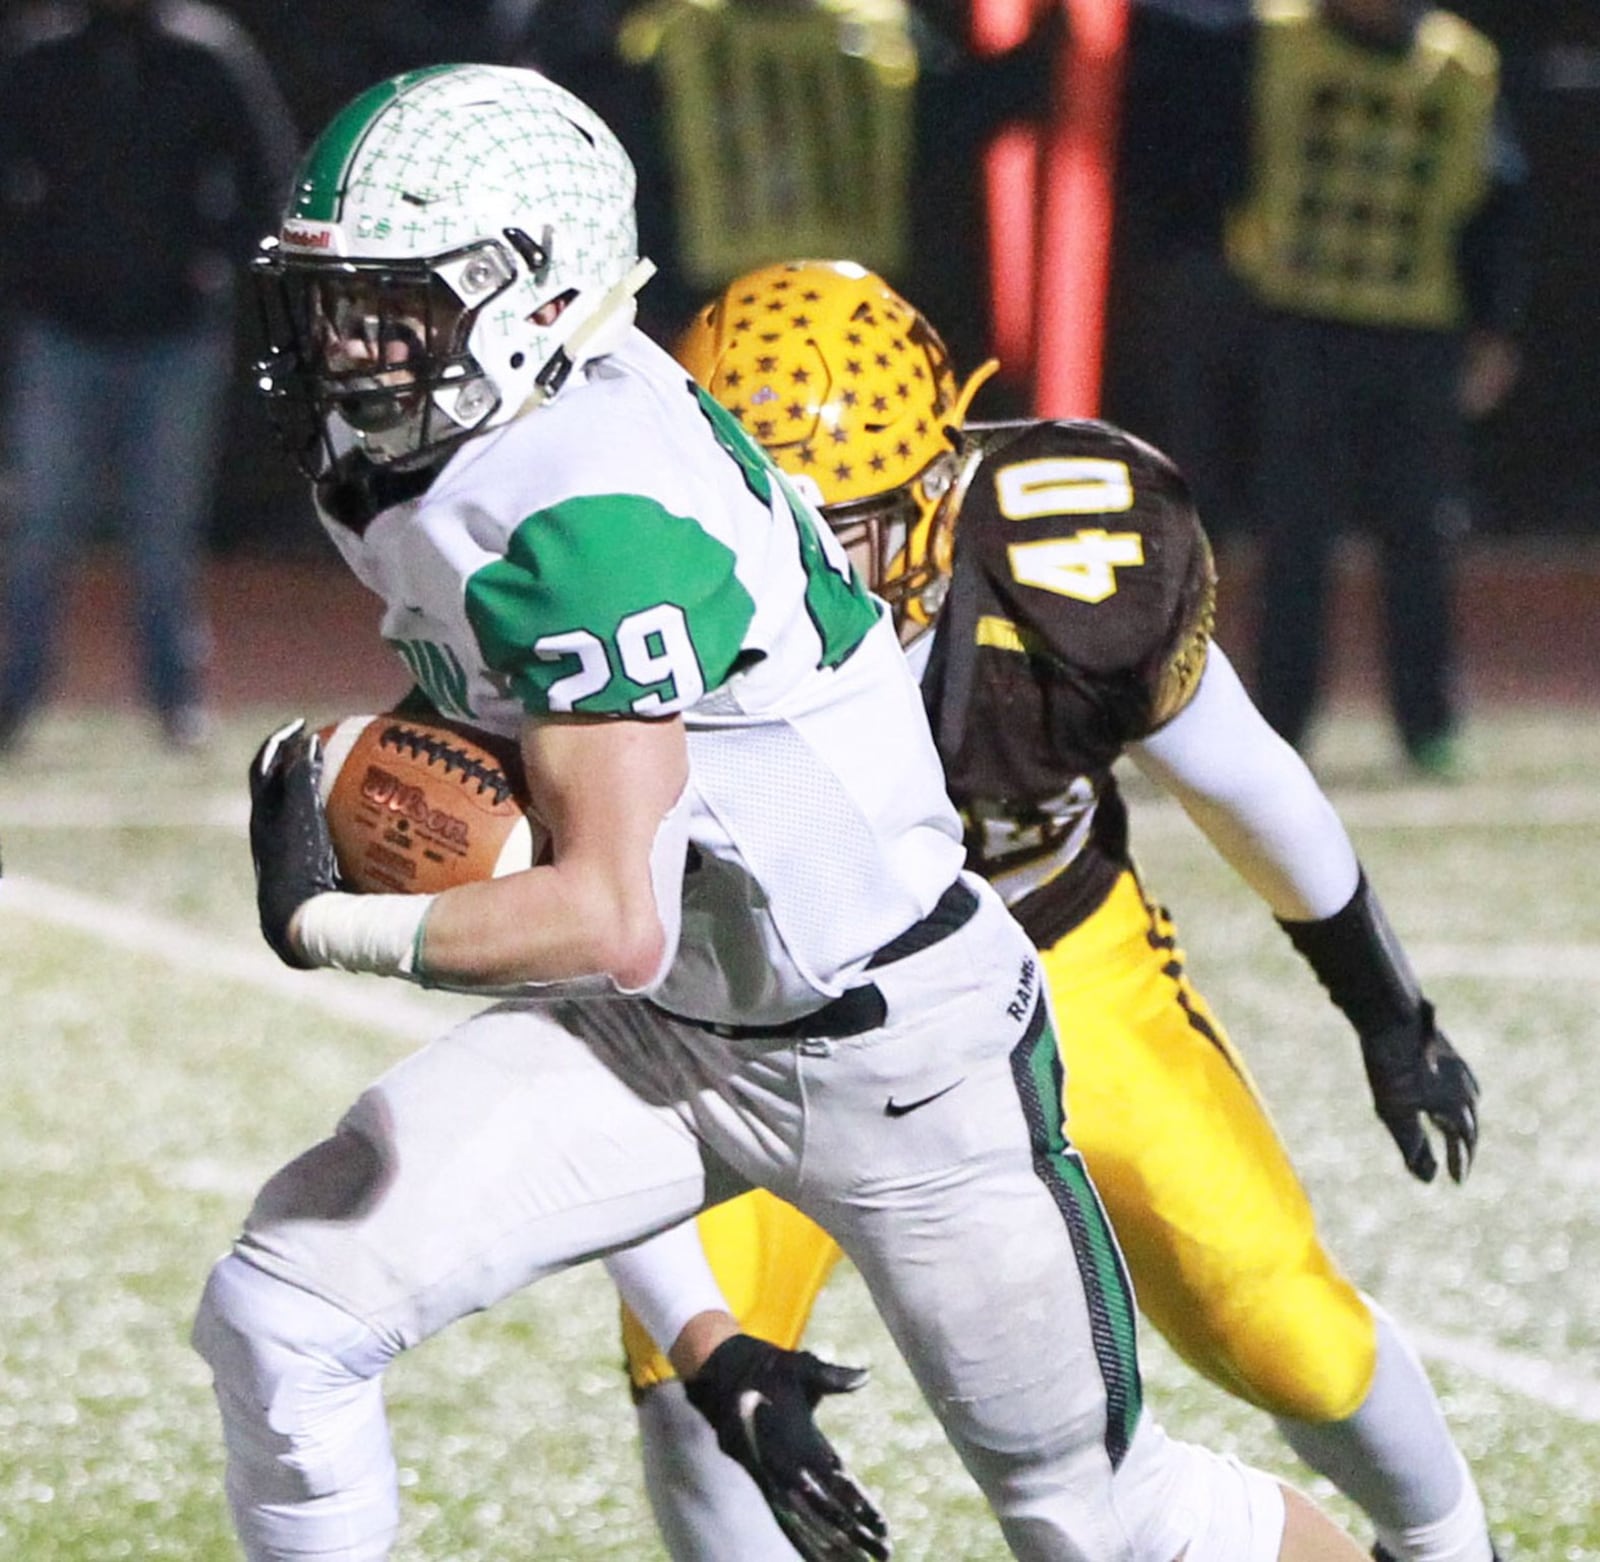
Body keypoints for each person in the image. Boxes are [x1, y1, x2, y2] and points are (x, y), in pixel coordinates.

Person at [191, 65, 1368, 1562]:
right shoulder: (458, 442)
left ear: (534, 302)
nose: (348, 342)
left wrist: (343, 916)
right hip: (682, 1027)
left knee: (1103, 1520)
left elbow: (605, 916)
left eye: (396, 303)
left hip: (900, 1054)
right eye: (333, 298)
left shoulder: (583, 510)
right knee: (283, 1311)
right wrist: (705, 1333)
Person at [601, 259, 1497, 1562]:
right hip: (758, 1009)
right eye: (755, 519)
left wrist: (1388, 1011)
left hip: (1054, 951)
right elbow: (591, 962)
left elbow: (1245, 781)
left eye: (834, 528)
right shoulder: (623, 608)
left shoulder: (1065, 572)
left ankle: (1448, 1539)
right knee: (702, 1393)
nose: (788, 567)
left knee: (1276, 1321)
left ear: (932, 496)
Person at [1120, 0, 1528, 776]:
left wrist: (1494, 328)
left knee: (1420, 533)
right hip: (1301, 328)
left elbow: (1499, 203)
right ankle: (1280, 721)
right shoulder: (1274, 39)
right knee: (1293, 532)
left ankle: (1428, 723)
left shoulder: (1460, 65)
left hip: (1417, 331)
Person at [0, 0, 297, 754]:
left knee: (164, 529)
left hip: (176, 334)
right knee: (41, 523)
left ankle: (176, 697)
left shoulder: (208, 55)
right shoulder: (42, 57)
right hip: (63, 329)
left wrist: (214, 263)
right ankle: (16, 694)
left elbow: (269, 175)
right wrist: (37, 266)